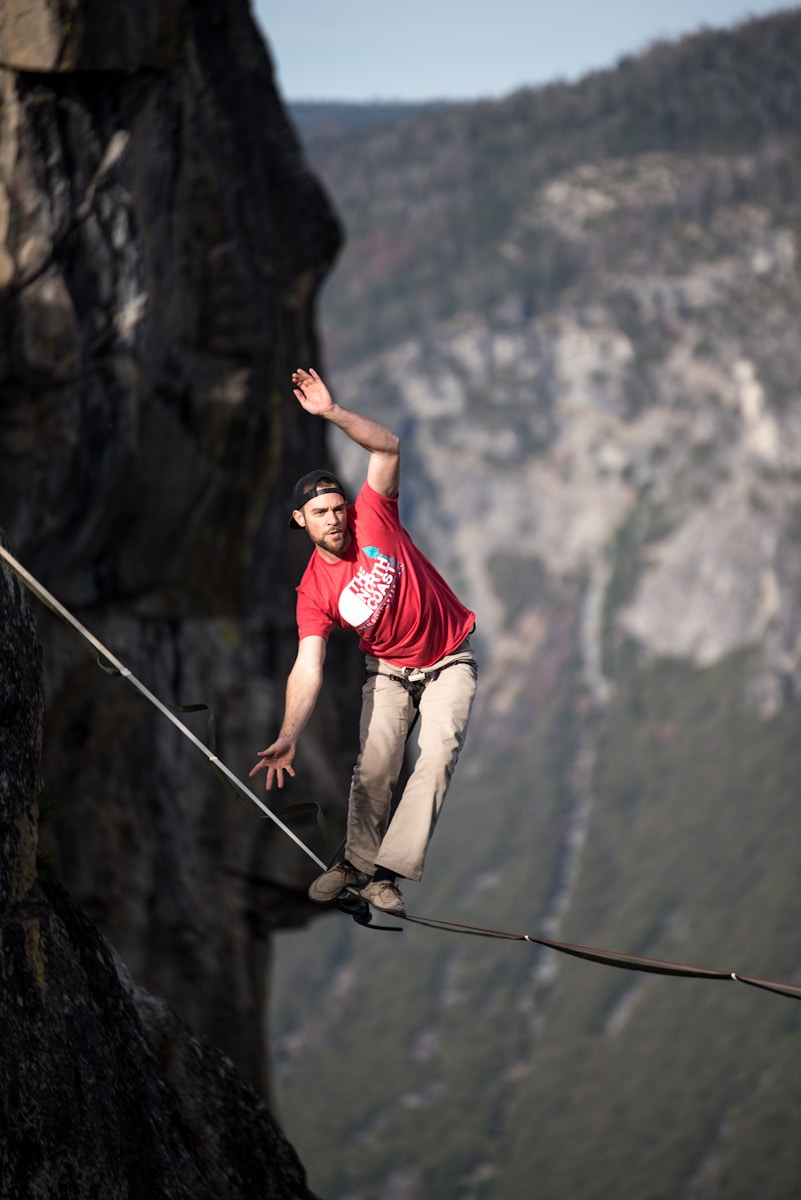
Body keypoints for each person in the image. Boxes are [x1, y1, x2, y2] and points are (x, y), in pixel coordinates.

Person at [249, 367, 477, 916]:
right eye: (321, 513)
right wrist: (288, 734)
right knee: (375, 766)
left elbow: (389, 446)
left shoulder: (375, 514)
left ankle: (388, 875)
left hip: (450, 659)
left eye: (337, 508)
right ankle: (355, 862)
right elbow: (308, 668)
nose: (335, 519)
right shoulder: (312, 591)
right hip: (390, 670)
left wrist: (330, 414)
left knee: (438, 752)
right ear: (299, 521)